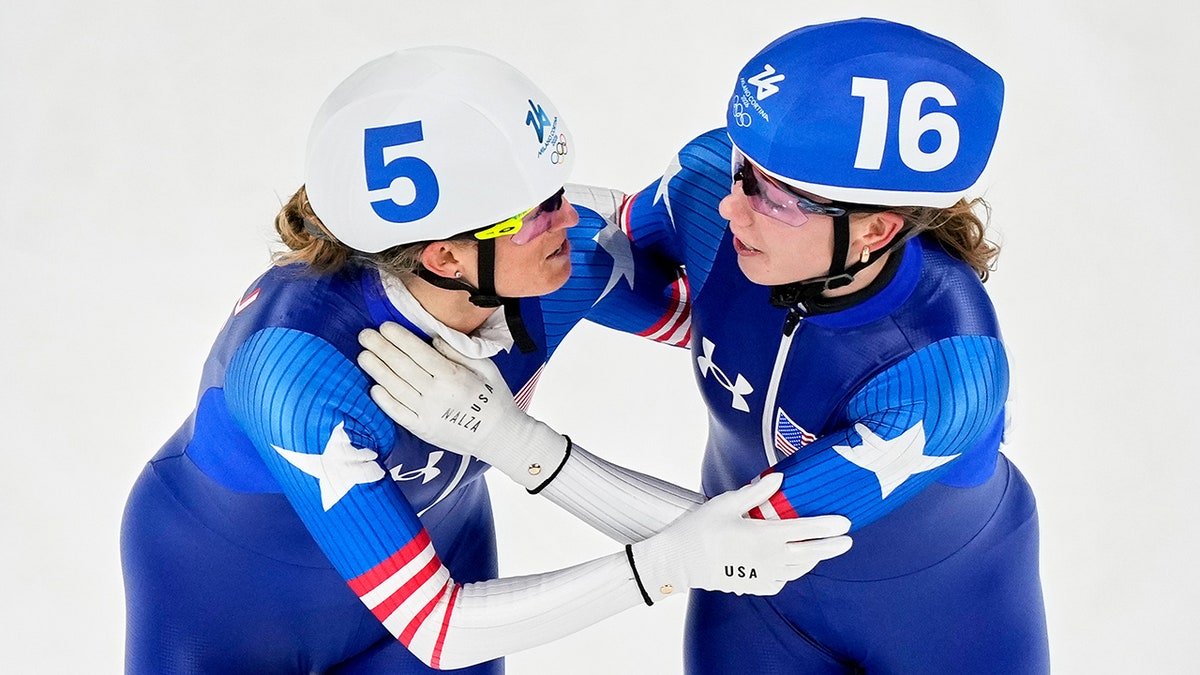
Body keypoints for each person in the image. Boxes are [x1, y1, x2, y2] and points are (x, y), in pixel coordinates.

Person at [119, 46, 854, 673]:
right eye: (537, 211)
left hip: (444, 544)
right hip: (230, 596)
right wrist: (664, 563)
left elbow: (718, 333)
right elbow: (435, 625)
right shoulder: (298, 372)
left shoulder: (560, 263)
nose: (572, 216)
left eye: (556, 191)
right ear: (443, 254)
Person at [359, 18, 1049, 673]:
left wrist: (510, 438)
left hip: (945, 615)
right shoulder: (711, 186)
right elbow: (589, 249)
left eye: (775, 198)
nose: (731, 204)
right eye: (743, 167)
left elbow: (753, 539)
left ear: (873, 232)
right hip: (756, 614)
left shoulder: (944, 372)